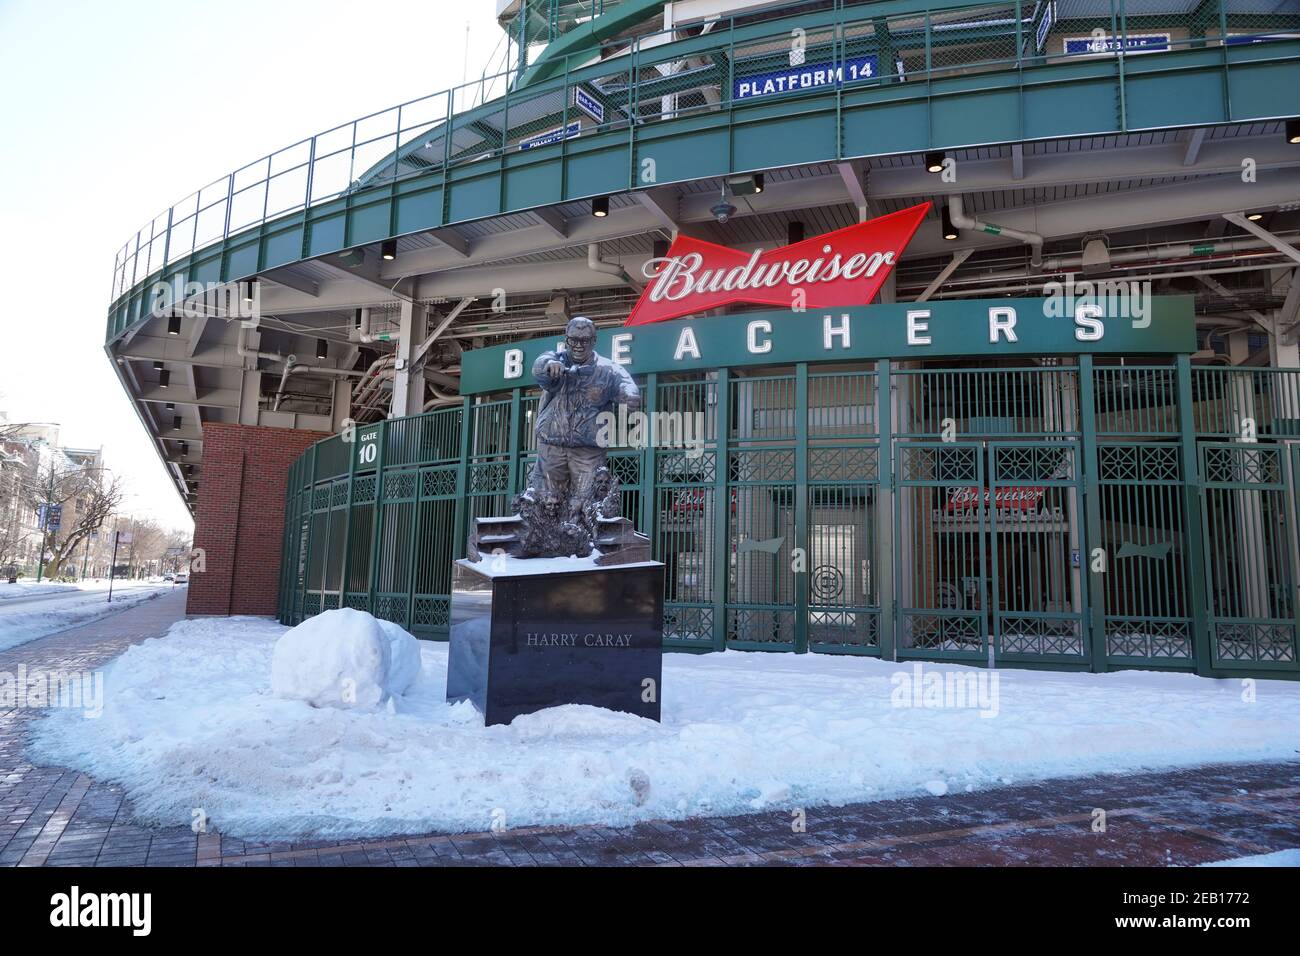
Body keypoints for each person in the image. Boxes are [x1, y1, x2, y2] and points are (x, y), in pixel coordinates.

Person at [530, 317, 641, 523]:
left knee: (585, 502)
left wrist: (629, 394)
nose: (579, 345)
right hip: (552, 446)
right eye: (574, 340)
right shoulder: (556, 360)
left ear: (594, 341)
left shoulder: (608, 370)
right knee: (545, 498)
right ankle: (540, 541)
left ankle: (583, 546)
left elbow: (626, 384)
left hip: (588, 451)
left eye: (585, 340)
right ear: (567, 339)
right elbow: (539, 366)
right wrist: (549, 365)